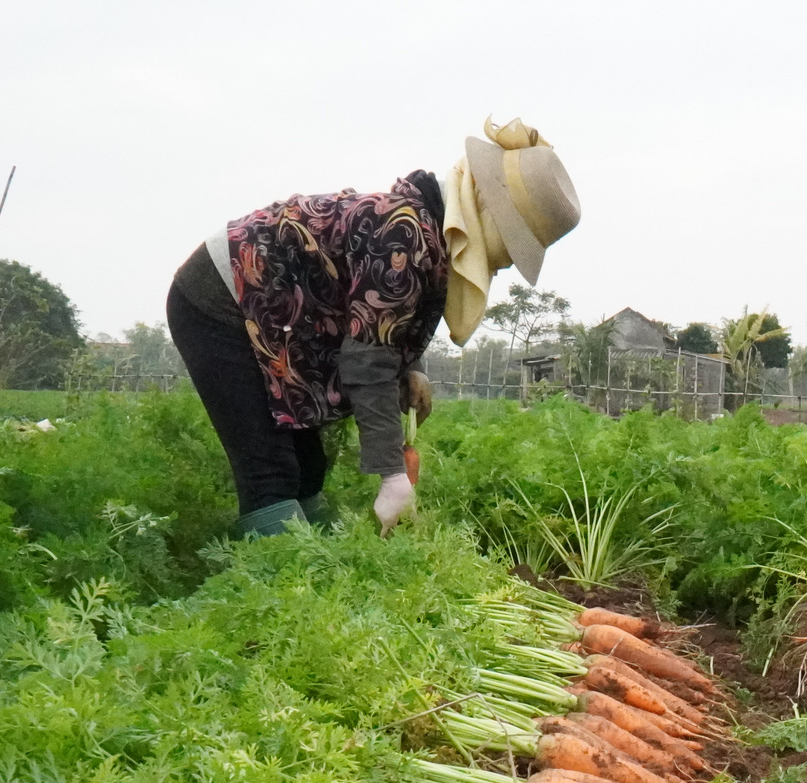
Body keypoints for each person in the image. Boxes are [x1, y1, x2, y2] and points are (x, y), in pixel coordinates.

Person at [166, 119, 580, 537]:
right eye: (512, 240)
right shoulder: (404, 232)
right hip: (221, 302)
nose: (507, 260)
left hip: (273, 315)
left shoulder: (428, 227)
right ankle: (273, 583)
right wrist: (392, 476)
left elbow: (384, 309)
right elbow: (368, 360)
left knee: (308, 465)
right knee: (271, 470)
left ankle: (315, 568)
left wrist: (413, 367)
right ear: (488, 210)